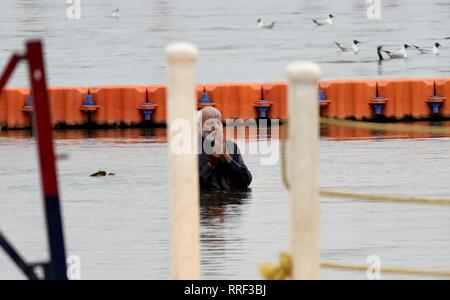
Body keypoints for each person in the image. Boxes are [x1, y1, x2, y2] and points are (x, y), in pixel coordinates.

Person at [198, 107, 252, 190]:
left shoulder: (231, 146)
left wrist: (227, 157)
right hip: (207, 201)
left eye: (218, 123)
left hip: (230, 201)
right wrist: (212, 162)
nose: (215, 127)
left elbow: (246, 181)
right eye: (210, 123)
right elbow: (193, 187)